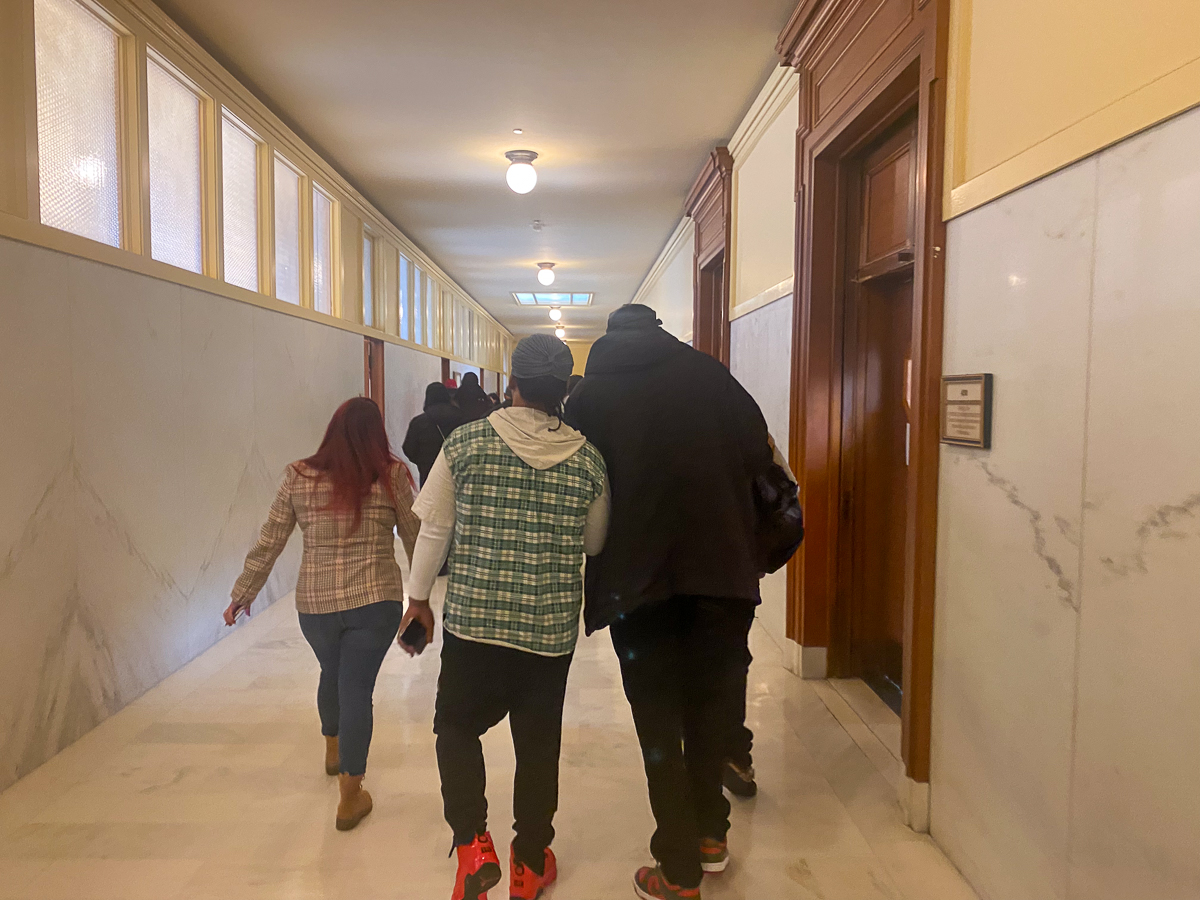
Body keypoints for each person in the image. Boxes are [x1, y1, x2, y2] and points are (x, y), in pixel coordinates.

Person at [566, 304, 772, 900]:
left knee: (657, 718)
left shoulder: (588, 399)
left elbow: (582, 490)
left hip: (637, 583)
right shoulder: (714, 377)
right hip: (724, 577)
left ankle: (676, 866)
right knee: (711, 705)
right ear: (661, 331)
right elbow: (760, 460)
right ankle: (711, 833)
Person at [401, 335, 610, 900]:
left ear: (512, 384)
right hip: (547, 631)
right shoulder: (588, 458)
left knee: (455, 727)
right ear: (563, 390)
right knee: (538, 743)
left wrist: (417, 598)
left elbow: (435, 529)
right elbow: (594, 544)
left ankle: (473, 848)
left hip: (474, 625)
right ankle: (529, 862)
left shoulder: (466, 443)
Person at [226, 397, 421, 832]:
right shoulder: (391, 476)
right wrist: (422, 598)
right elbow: (416, 537)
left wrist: (243, 593)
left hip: (315, 606)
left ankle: (334, 750)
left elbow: (270, 538)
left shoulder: (298, 476)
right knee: (355, 688)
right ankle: (350, 796)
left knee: (331, 672)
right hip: (374, 603)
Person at [403, 382, 469, 486]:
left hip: (428, 473)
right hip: (458, 471)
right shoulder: (462, 418)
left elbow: (408, 449)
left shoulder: (419, 422)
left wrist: (423, 462)